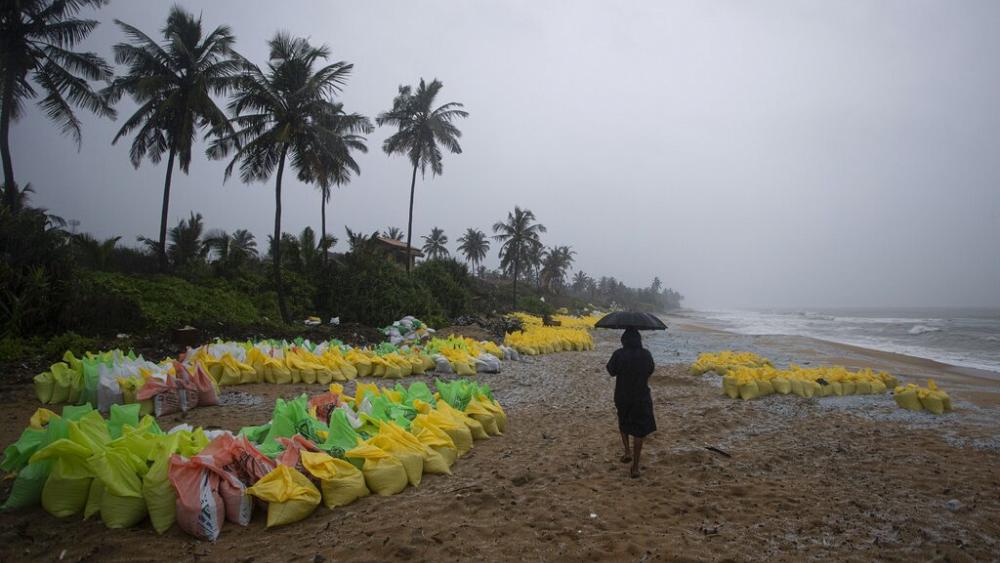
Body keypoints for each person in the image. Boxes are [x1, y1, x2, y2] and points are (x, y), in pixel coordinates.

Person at [606, 328, 656, 478]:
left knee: (624, 422)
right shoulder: (646, 354)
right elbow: (650, 370)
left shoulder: (618, 354)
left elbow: (611, 371)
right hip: (641, 396)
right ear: (639, 340)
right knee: (639, 430)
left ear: (623, 340)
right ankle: (635, 467)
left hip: (622, 395)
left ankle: (627, 451)